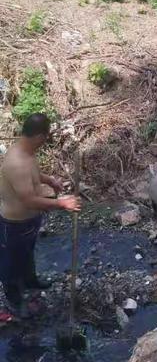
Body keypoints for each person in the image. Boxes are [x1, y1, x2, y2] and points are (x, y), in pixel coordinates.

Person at [0, 113, 81, 317]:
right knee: (11, 261)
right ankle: (13, 300)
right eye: (45, 136)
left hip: (30, 220)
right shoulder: (16, 162)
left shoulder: (27, 152)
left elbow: (33, 173)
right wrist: (61, 203)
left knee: (27, 253)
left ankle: (31, 282)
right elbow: (28, 200)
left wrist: (48, 180)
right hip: (15, 223)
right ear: (38, 136)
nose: (46, 140)